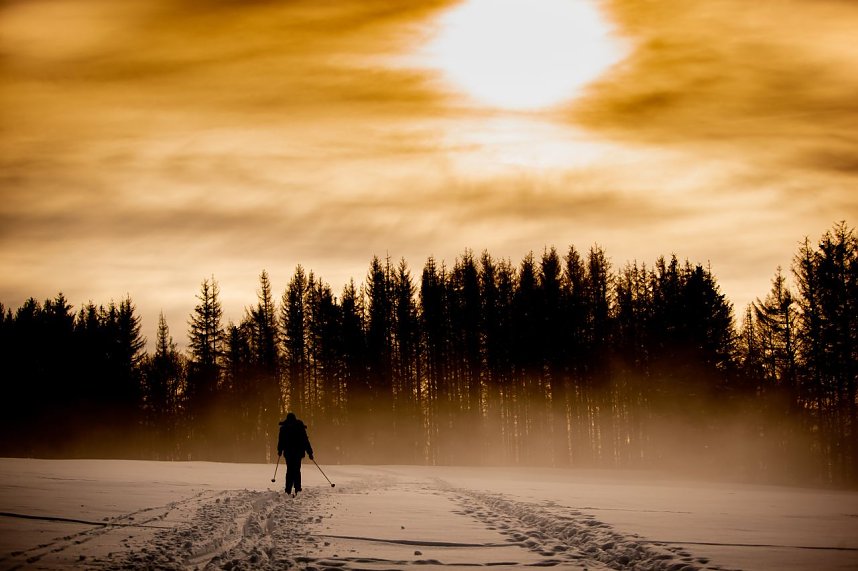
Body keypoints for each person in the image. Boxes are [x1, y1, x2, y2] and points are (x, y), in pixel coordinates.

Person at [277, 412, 314, 497]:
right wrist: (310, 452)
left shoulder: (284, 428)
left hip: (288, 453)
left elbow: (281, 441)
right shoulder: (300, 427)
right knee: (297, 470)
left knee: (289, 470)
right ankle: (297, 489)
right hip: (298, 452)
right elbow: (305, 441)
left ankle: (288, 490)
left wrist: (280, 450)